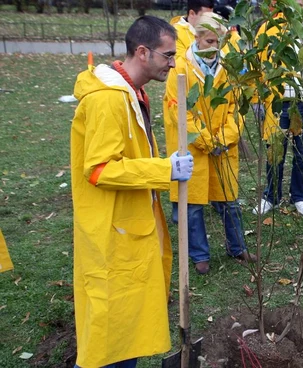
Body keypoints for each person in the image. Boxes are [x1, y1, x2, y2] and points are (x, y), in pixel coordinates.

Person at [70, 16, 193, 367]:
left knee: (127, 333)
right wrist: (164, 169)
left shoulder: (133, 93)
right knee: (110, 340)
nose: (172, 63)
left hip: (129, 226)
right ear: (142, 52)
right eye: (167, 55)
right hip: (112, 233)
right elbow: (98, 169)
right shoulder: (108, 100)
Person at [163, 12, 256, 276]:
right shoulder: (180, 68)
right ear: (197, 38)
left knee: (229, 200)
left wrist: (224, 139)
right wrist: (206, 140)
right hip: (192, 147)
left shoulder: (228, 68)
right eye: (210, 41)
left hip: (224, 148)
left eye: (219, 42)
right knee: (191, 205)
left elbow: (236, 110)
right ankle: (200, 255)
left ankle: (237, 248)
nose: (214, 47)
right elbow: (179, 111)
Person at [252, 2, 303, 218]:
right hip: (277, 102)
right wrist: (256, 98)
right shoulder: (269, 29)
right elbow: (257, 64)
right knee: (274, 152)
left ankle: (298, 196)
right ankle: (271, 196)